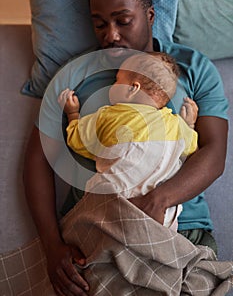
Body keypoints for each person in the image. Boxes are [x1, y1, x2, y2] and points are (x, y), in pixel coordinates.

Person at [23, 0, 228, 296]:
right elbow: (37, 158)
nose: (111, 35)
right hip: (100, 230)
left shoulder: (192, 68)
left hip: (181, 228)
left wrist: (159, 200)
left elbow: (214, 151)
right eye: (100, 24)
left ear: (149, 16)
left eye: (123, 20)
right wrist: (52, 246)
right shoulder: (75, 75)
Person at [58, 52, 198, 231]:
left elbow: (77, 141)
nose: (112, 84)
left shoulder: (108, 116)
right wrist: (190, 123)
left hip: (112, 205)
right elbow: (191, 148)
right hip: (161, 217)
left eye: (117, 80)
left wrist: (72, 113)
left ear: (133, 88)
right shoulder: (175, 124)